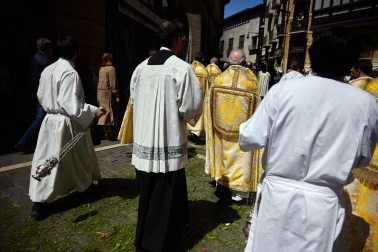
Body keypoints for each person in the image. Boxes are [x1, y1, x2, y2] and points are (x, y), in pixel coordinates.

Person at [239, 27, 378, 252]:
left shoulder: (283, 91)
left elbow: (249, 139)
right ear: (352, 64)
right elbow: (362, 159)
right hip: (322, 204)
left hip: (278, 195)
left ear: (312, 56)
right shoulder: (366, 103)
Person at [131, 20, 203, 252]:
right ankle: (156, 243)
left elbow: (134, 100)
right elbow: (191, 106)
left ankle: (149, 234)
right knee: (164, 192)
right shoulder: (181, 68)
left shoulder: (140, 68)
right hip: (168, 138)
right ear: (178, 39)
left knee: (148, 193)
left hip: (144, 138)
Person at [29, 36, 105, 218]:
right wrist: (94, 111)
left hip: (50, 120)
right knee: (74, 157)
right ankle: (44, 201)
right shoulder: (70, 72)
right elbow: (69, 104)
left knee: (48, 157)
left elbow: (41, 95)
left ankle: (43, 201)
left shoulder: (48, 70)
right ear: (75, 53)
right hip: (67, 121)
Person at [205, 49, 262, 205]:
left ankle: (222, 183)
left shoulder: (219, 80)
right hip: (242, 131)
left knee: (223, 155)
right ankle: (238, 192)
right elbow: (258, 111)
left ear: (228, 62)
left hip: (220, 128)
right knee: (239, 158)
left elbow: (208, 106)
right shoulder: (251, 82)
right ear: (244, 62)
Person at [15, 38, 52, 154]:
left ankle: (40, 143)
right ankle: (22, 141)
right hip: (43, 93)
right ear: (48, 49)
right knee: (41, 119)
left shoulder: (33, 58)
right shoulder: (45, 60)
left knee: (41, 118)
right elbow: (48, 79)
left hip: (34, 92)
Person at [187, 51, 210, 143]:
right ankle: (196, 133)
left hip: (188, 97)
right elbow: (208, 85)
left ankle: (188, 131)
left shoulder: (188, 68)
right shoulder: (204, 70)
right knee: (199, 114)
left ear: (193, 59)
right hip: (200, 97)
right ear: (202, 60)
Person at [97, 53, 120, 140]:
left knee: (103, 111)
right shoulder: (111, 69)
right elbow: (113, 83)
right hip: (108, 93)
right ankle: (108, 130)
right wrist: (116, 95)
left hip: (100, 93)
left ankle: (106, 130)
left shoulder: (101, 69)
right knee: (111, 112)